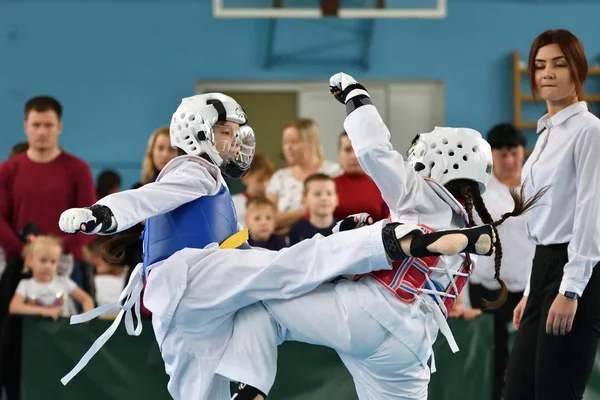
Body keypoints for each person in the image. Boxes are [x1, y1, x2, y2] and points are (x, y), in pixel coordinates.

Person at [56, 92, 490, 400]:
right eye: (225, 132)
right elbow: (147, 199)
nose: (235, 142)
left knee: (206, 379)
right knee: (288, 267)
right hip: (190, 277)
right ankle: (392, 240)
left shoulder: (211, 186)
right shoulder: (194, 169)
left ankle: (249, 390)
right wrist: (104, 214)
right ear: (199, 135)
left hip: (182, 304)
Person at [215, 73, 547, 400]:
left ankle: (251, 392)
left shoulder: (418, 192)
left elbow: (373, 150)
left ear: (444, 156)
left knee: (260, 308)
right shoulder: (468, 229)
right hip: (412, 349)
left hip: (369, 313)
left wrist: (356, 97)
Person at [503, 29, 600, 400]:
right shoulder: (544, 136)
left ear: (577, 70)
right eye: (540, 66)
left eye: (559, 64)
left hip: (574, 271)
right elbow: (542, 220)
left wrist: (571, 288)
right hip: (542, 269)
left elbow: (592, 213)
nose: (547, 73)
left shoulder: (589, 132)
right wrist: (532, 290)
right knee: (517, 392)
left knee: (555, 394)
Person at [466, 123, 534, 400]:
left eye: (513, 153)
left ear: (522, 152)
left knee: (527, 357)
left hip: (528, 288)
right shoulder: (478, 191)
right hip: (487, 288)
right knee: (491, 356)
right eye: (501, 154)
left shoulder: (537, 185)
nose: (508, 161)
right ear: (491, 155)